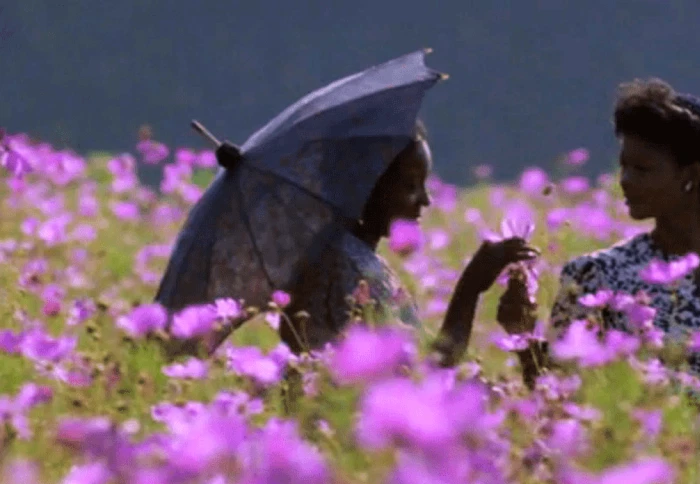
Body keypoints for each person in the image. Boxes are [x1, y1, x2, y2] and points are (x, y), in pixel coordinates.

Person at [496, 79, 700, 449]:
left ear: (691, 176)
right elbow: (558, 402)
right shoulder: (593, 276)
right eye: (624, 167)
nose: (625, 182)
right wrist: (521, 333)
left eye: (642, 169)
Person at [168, 120, 537, 368]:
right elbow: (427, 371)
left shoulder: (349, 255)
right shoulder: (347, 267)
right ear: (365, 185)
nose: (424, 200)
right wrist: (471, 285)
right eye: (410, 186)